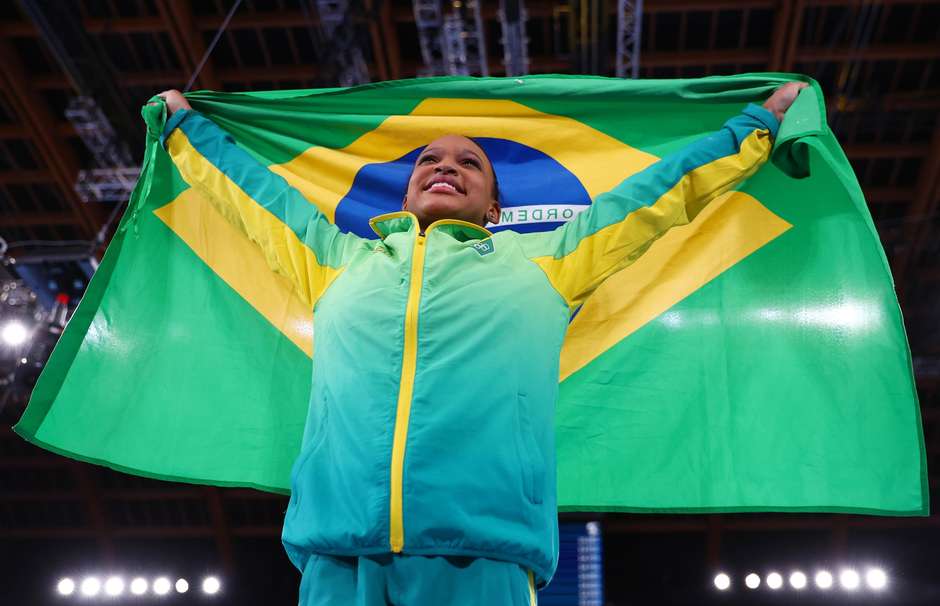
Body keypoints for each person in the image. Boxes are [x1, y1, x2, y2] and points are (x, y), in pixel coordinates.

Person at [156, 81, 807, 605]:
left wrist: (754, 127)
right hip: (337, 556)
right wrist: (184, 128)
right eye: (429, 161)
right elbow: (253, 195)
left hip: (484, 557)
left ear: (494, 208)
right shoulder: (334, 260)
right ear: (408, 190)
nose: (445, 167)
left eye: (469, 162)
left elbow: (658, 195)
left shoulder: (547, 263)